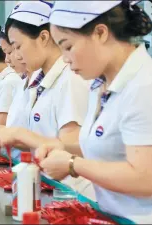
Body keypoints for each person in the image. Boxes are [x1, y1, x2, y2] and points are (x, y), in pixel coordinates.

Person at [35, 1, 152, 222]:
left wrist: (72, 164)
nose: (65, 59)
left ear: (100, 33)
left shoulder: (143, 86)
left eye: (68, 47)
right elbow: (111, 144)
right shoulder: (100, 84)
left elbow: (145, 178)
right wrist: (61, 146)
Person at [0, 1, 93, 194]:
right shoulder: (40, 80)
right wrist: (7, 135)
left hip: (69, 193)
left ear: (44, 37)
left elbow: (69, 147)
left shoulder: (70, 78)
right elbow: (42, 136)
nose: (17, 56)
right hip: (46, 186)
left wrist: (20, 134)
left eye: (18, 46)